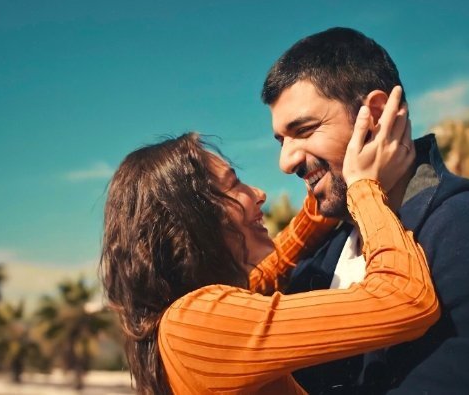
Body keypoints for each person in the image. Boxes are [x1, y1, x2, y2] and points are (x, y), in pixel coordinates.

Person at [261, 27, 469, 394]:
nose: (286, 162)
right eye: (281, 141)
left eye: (304, 130)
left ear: (376, 115)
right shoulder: (322, 257)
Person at [100, 93, 441, 394]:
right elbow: (406, 298)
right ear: (193, 219)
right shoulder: (196, 323)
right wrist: (362, 186)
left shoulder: (185, 322)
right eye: (234, 185)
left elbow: (279, 261)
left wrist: (329, 183)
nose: (259, 193)